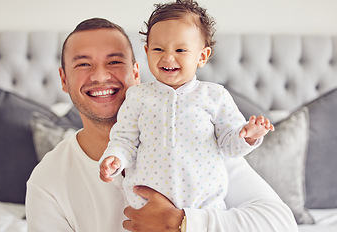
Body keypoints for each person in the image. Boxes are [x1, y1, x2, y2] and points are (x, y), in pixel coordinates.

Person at [26, 17, 298, 231]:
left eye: (114, 61)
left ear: (136, 72)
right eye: (83, 64)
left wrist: (183, 223)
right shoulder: (48, 179)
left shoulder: (199, 136)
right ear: (63, 79)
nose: (100, 76)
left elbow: (281, 224)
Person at [99, 0, 274, 211]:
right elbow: (125, 139)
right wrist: (114, 157)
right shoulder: (137, 96)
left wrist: (248, 136)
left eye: (180, 50)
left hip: (203, 208)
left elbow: (229, 146)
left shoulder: (214, 95)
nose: (168, 58)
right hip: (145, 207)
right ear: (146, 52)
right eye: (158, 50)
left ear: (202, 56)